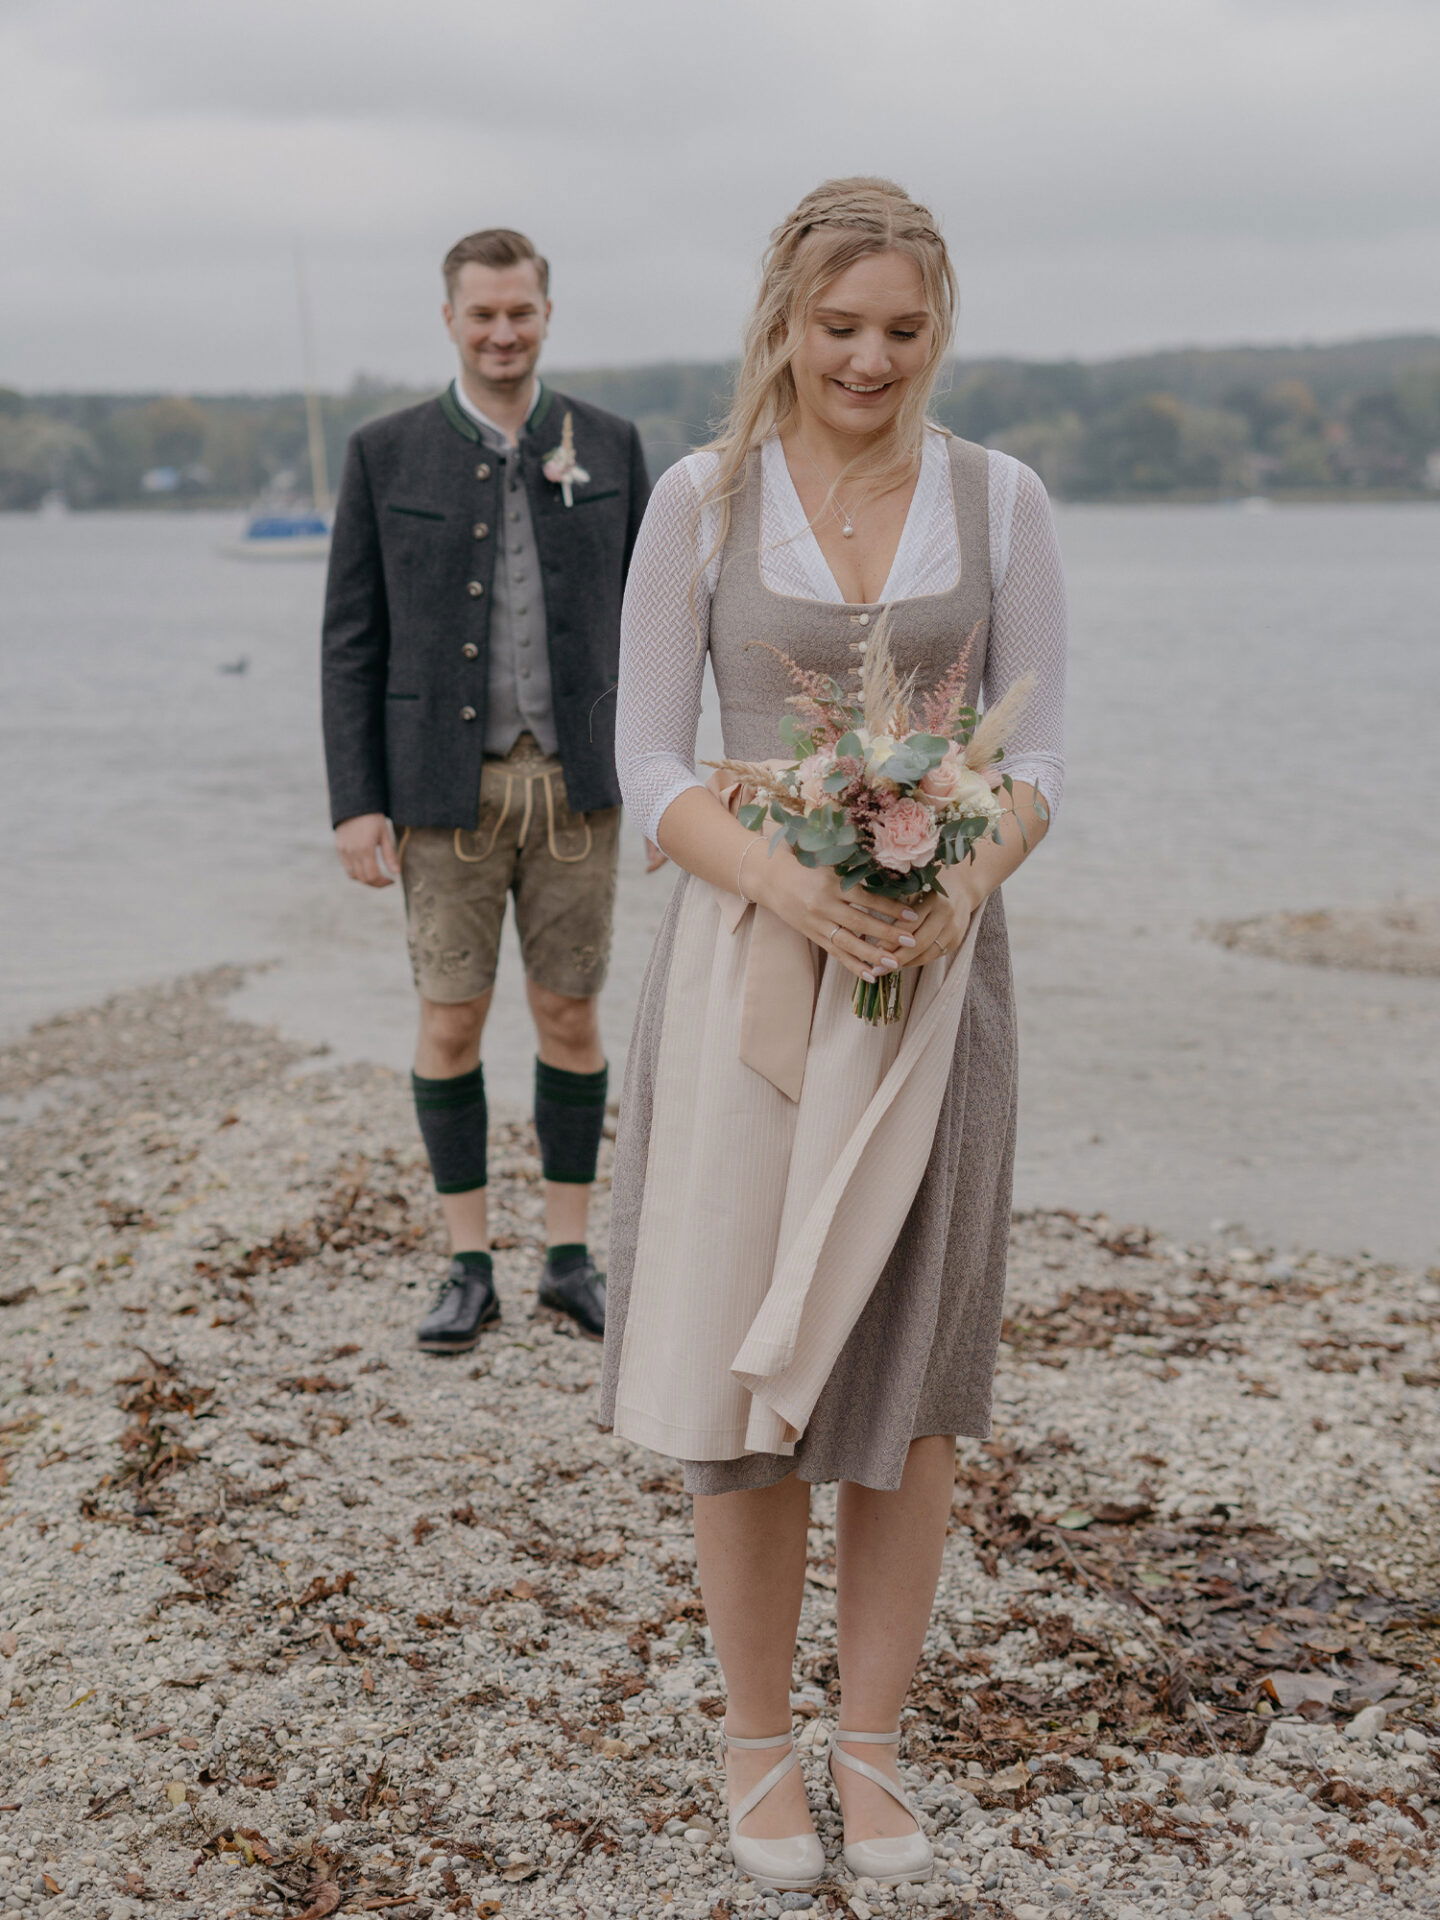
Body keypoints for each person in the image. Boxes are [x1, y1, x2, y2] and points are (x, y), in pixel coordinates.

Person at [599, 178, 1067, 1891]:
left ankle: (868, 1749)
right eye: (839, 326)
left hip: (936, 987)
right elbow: (646, 761)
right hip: (749, 977)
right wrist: (788, 894)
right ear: (782, 327)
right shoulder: (701, 504)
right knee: (743, 1372)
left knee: (909, 1384)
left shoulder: (1000, 501)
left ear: (939, 328)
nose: (868, 359)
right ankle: (751, 1752)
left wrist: (962, 886)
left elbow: (1044, 761)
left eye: (903, 328)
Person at [322, 227, 650, 1352]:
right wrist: (354, 799)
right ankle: (468, 1263)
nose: (502, 332)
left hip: (582, 788)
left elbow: (661, 633)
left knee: (570, 1012)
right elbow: (350, 640)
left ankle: (568, 1256)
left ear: (547, 314)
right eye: (482, 315)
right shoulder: (385, 452)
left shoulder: (608, 443)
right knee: (450, 1021)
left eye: (521, 312)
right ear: (451, 321)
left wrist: (667, 784)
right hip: (435, 794)